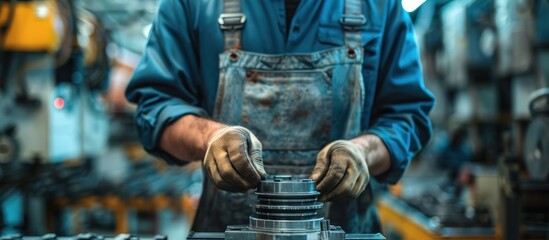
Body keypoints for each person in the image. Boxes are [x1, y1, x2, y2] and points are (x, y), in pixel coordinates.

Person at [125, 0, 435, 234]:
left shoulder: (380, 6)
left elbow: (407, 115)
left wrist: (365, 152)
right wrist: (210, 138)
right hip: (223, 230)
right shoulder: (192, 5)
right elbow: (155, 107)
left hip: (344, 230)